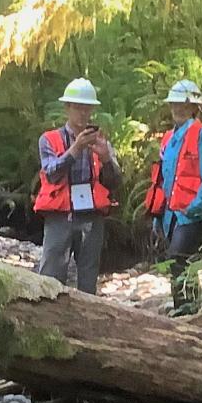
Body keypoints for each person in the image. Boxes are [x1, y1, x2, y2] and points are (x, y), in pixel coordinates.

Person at [34, 77, 123, 294]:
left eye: (87, 108)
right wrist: (75, 149)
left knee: (87, 280)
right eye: (78, 108)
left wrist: (105, 160)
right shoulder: (48, 140)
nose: (83, 113)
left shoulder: (102, 143)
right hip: (60, 217)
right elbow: (52, 174)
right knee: (50, 277)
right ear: (67, 108)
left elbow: (115, 183)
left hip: (91, 217)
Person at [143, 79, 202, 315]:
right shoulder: (167, 138)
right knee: (177, 261)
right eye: (174, 104)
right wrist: (158, 216)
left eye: (183, 105)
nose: (177, 109)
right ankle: (187, 308)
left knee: (178, 257)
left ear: (194, 108)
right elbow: (164, 180)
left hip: (192, 213)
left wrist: (197, 206)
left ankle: (187, 310)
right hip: (170, 213)